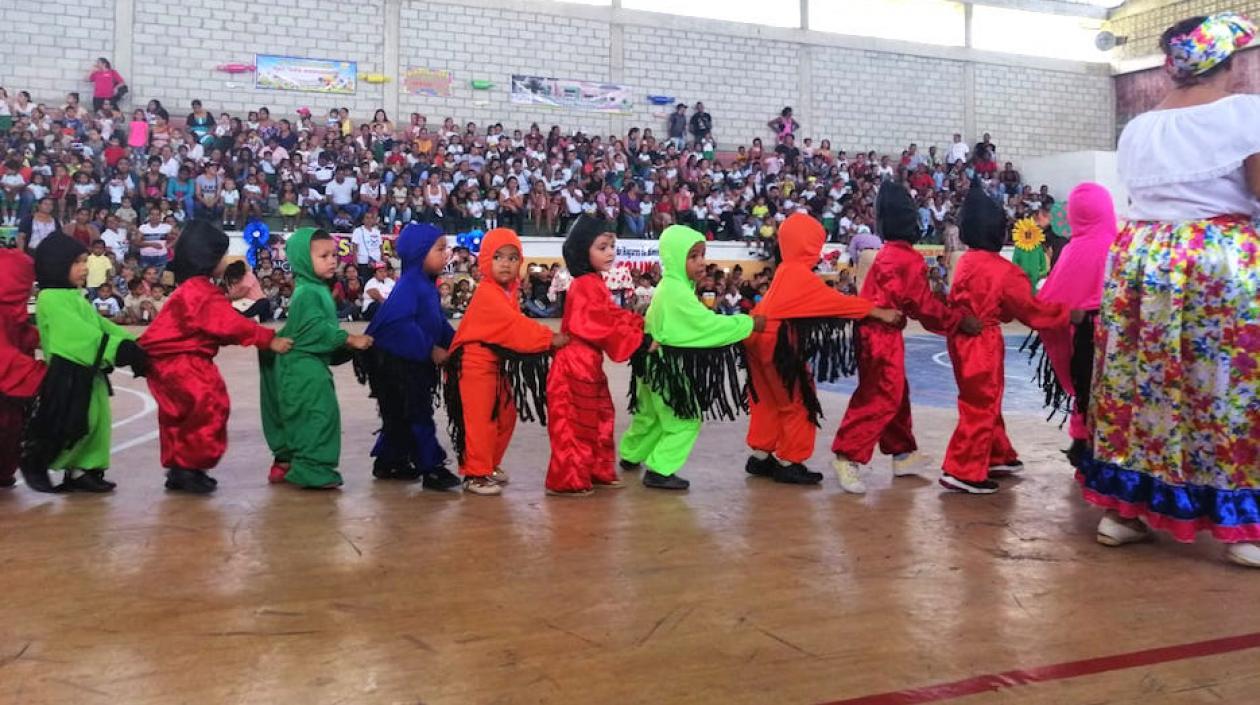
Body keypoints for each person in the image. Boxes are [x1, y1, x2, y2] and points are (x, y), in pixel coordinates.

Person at [1080, 14, 1260, 565]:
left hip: (1143, 261)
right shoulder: (1246, 114)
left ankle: (1124, 512)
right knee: (1226, 385)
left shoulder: (1139, 127)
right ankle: (1243, 529)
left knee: (1142, 383)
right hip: (1216, 262)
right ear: (1228, 62)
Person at [832, 182, 980, 492]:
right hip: (882, 335)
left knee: (895, 392)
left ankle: (902, 453)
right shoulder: (907, 259)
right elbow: (923, 307)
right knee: (882, 394)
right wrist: (958, 321)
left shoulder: (886, 253)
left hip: (872, 332)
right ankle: (848, 455)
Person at [744, 213, 898, 486]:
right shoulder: (799, 275)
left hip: (756, 338)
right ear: (807, 245)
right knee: (798, 401)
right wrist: (878, 312)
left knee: (767, 400)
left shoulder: (783, 271)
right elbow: (836, 303)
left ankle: (761, 454)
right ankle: (790, 461)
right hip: (778, 343)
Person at [139, 221, 293, 494]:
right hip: (185, 362)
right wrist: (267, 339)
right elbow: (230, 324)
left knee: (178, 415)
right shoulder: (202, 292)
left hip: (165, 362)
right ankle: (190, 466)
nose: (226, 260)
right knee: (208, 406)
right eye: (222, 255)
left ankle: (179, 467)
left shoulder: (189, 289)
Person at [939, 186, 1068, 494]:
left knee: (984, 398)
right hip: (982, 340)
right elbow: (1030, 310)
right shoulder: (1002, 270)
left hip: (961, 339)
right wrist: (1067, 312)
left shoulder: (967, 261)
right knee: (982, 401)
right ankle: (963, 469)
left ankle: (997, 455)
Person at [619, 225, 763, 491]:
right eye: (693, 256)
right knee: (685, 419)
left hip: (649, 364)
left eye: (702, 255)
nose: (701, 262)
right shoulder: (676, 292)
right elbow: (705, 326)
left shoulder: (671, 287)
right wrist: (748, 324)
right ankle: (661, 469)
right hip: (666, 366)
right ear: (675, 257)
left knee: (650, 415)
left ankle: (631, 453)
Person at [21, 233, 147, 493]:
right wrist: (118, 349)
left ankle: (84, 469)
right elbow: (78, 336)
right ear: (57, 264)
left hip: (89, 371)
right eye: (77, 262)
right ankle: (45, 461)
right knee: (75, 423)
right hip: (68, 374)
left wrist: (138, 342)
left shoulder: (75, 296)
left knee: (98, 419)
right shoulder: (51, 298)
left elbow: (101, 325)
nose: (85, 267)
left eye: (84, 261)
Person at [444, 228, 566, 496]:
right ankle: (475, 473)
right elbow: (514, 327)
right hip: (474, 365)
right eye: (498, 257)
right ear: (486, 260)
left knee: (505, 415)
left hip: (494, 364)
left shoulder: (507, 292)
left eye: (513, 258)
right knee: (481, 420)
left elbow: (514, 327)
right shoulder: (488, 293)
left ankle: (487, 464)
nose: (506, 263)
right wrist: (550, 339)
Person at [259, 228, 372, 488]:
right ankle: (312, 470)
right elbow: (315, 328)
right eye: (324, 256)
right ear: (302, 259)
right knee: (317, 415)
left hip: (306, 365)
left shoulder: (315, 288)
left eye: (334, 255)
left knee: (304, 414)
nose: (332, 260)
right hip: (303, 369)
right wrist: (349, 339)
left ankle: (286, 463)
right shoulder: (308, 292)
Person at [545, 216, 650, 496]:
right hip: (574, 367)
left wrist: (636, 325)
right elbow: (597, 323)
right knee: (575, 424)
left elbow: (611, 314)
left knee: (600, 417)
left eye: (612, 246)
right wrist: (637, 338)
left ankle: (596, 470)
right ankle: (568, 480)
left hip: (589, 364)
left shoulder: (594, 281)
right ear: (583, 250)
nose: (610, 253)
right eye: (602, 247)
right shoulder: (584, 284)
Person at [360, 223, 461, 490]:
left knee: (398, 415)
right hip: (394, 364)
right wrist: (431, 349)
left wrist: (458, 343)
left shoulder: (425, 285)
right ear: (419, 253)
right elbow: (399, 325)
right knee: (416, 413)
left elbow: (437, 323)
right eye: (439, 249)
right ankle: (431, 467)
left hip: (406, 360)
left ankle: (389, 461)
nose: (446, 254)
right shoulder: (410, 286)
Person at [1031, 183, 1117, 468]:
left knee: (1085, 391)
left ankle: (1081, 441)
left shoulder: (1071, 250)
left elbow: (1051, 298)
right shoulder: (1120, 247)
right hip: (1116, 339)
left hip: (1083, 339)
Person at [0, 250, 45, 489]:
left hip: (9, 397)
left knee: (11, 427)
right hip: (8, 387)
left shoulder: (12, 310)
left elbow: (24, 335)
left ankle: (4, 471)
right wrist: (43, 372)